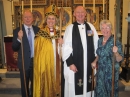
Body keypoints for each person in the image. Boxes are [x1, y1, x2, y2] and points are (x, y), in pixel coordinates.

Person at [62, 6, 99, 97]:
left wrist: (95, 60)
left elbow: (96, 44)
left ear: (85, 14)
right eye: (77, 12)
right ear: (74, 14)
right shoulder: (70, 29)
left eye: (82, 12)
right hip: (75, 65)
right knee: (75, 89)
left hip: (89, 65)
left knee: (88, 87)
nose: (80, 14)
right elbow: (66, 47)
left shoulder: (90, 27)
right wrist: (70, 63)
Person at [33, 5, 62, 97]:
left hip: (55, 62)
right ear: (46, 20)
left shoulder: (58, 33)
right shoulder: (41, 33)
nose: (51, 21)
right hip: (44, 64)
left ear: (56, 20)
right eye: (49, 18)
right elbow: (37, 51)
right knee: (45, 81)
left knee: (55, 80)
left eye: (53, 19)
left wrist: (61, 43)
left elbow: (61, 50)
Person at [91, 20, 123, 97]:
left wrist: (116, 53)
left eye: (107, 28)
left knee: (109, 92)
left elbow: (120, 59)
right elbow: (99, 54)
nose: (105, 30)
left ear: (111, 29)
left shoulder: (116, 42)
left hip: (110, 73)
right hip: (101, 72)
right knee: (99, 91)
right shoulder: (100, 40)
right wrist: (95, 61)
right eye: (103, 28)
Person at [12, 10, 40, 97]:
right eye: (25, 17)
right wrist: (19, 39)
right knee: (24, 85)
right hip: (24, 62)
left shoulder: (37, 30)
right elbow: (14, 48)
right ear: (22, 19)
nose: (27, 19)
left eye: (29, 17)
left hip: (35, 62)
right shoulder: (17, 30)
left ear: (33, 19)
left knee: (35, 84)